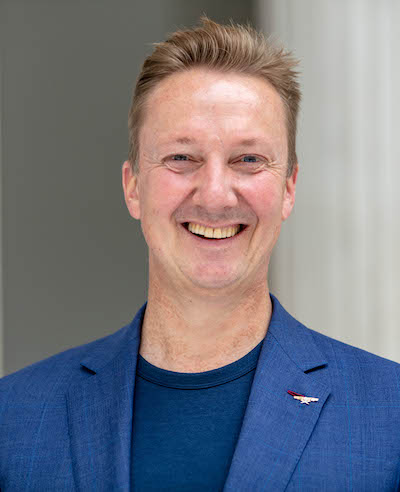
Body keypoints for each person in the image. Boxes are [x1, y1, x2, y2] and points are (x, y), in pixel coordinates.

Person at [1, 16, 399, 492]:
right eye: (182, 158)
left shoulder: (390, 416)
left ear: (289, 188)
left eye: (248, 160)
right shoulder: (14, 418)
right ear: (133, 187)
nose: (215, 196)